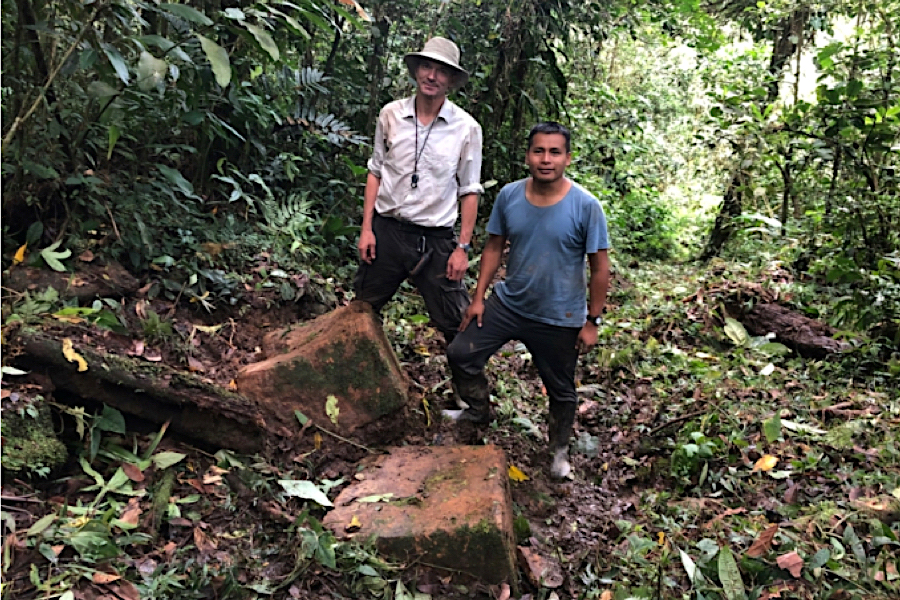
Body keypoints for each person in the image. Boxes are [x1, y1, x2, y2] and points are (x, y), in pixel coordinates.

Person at [443, 122, 611, 479]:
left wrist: (592, 320)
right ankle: (477, 411)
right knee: (461, 352)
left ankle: (560, 451)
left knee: (561, 388)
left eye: (554, 152)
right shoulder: (510, 196)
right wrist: (478, 299)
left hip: (560, 315)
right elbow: (493, 247)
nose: (546, 159)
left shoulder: (586, 206)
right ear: (527, 156)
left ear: (567, 157)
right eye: (539, 151)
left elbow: (599, 268)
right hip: (510, 303)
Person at [355, 37, 483, 345]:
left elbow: (470, 190)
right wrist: (366, 229)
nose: (431, 76)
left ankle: (469, 393)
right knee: (361, 310)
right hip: (387, 232)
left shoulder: (466, 128)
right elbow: (376, 171)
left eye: (441, 71)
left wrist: (462, 249)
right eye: (426, 67)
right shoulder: (391, 115)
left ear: (451, 80)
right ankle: (348, 384)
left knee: (457, 324)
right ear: (416, 71)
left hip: (435, 240)